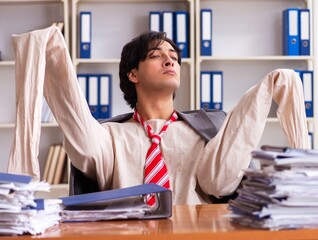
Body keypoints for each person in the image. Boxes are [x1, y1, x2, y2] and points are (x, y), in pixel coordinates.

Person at [8, 26, 309, 205]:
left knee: (280, 78)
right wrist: (48, 48)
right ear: (133, 74)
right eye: (156, 55)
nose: (170, 60)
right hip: (127, 234)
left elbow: (223, 185)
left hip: (198, 234)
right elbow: (78, 129)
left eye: (174, 57)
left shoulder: (208, 134)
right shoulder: (110, 137)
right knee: (45, 45)